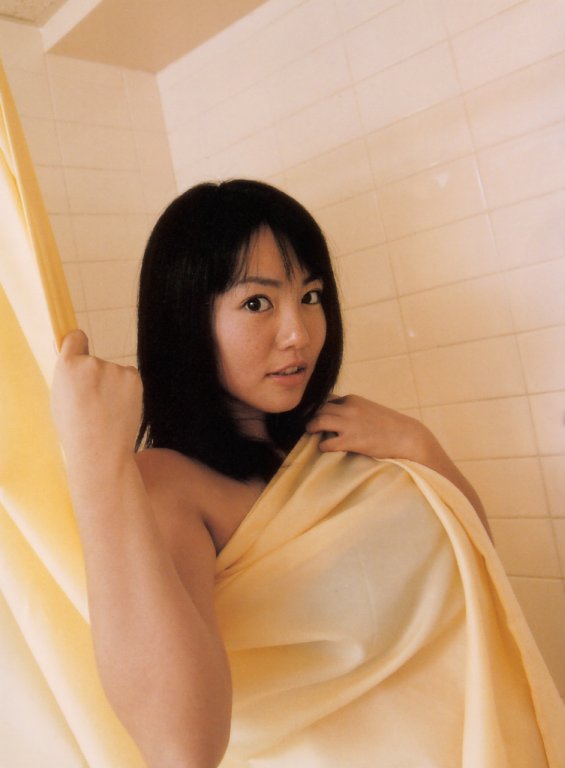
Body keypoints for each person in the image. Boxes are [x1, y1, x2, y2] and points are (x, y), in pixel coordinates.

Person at [51, 180, 563, 768]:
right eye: (257, 303)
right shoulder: (169, 484)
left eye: (311, 296)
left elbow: (475, 565)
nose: (299, 333)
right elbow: (181, 748)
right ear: (186, 319)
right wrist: (98, 462)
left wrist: (421, 447)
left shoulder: (342, 432)